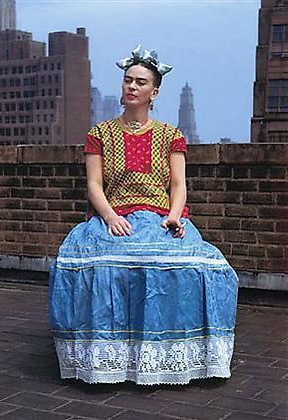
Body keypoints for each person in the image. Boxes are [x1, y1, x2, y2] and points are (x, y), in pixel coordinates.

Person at [49, 45, 238, 385]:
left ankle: (169, 355)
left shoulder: (171, 136)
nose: (131, 87)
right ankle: (111, 359)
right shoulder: (100, 134)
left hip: (162, 217)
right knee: (102, 267)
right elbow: (94, 185)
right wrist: (109, 217)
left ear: (155, 91)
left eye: (140, 82)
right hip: (114, 215)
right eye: (127, 80)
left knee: (195, 268)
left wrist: (176, 215)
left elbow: (178, 184)